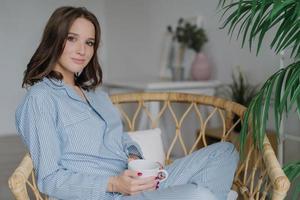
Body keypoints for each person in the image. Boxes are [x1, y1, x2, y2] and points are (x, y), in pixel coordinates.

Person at [15, 6, 239, 200]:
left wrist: (135, 159)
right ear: (54, 40)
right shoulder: (41, 98)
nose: (82, 50)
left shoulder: (97, 96)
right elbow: (50, 179)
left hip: (138, 184)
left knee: (225, 152)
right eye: (72, 39)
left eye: (89, 42)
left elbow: (121, 139)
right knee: (201, 195)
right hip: (108, 194)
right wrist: (114, 184)